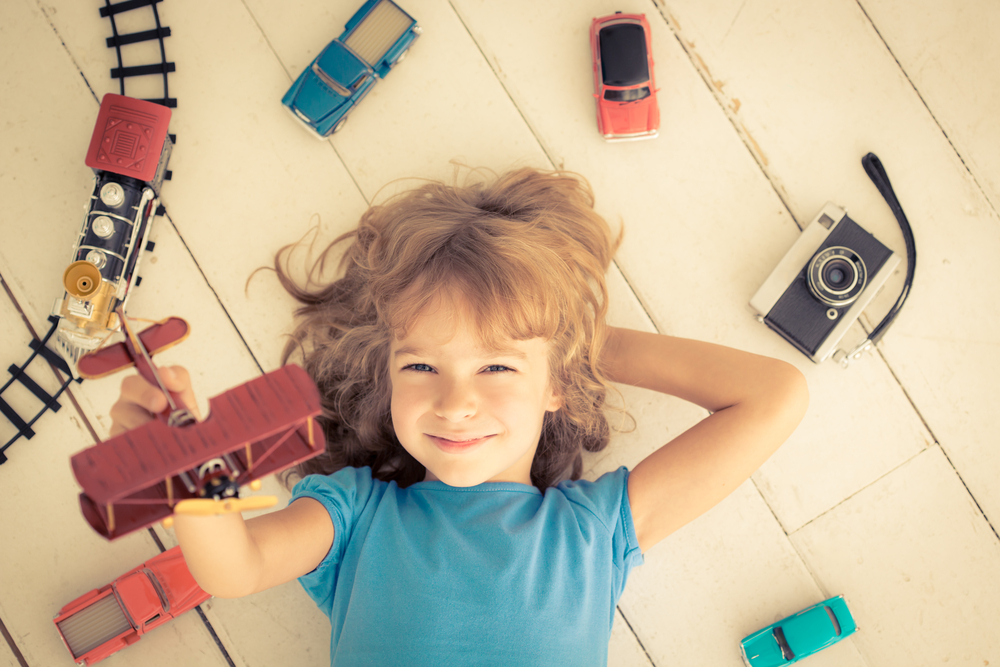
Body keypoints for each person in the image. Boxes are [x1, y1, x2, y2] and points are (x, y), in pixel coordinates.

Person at [109, 167, 809, 666]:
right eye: (421, 366)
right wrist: (179, 480)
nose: (455, 402)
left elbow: (774, 394)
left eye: (497, 365)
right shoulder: (358, 514)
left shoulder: (593, 531)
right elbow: (238, 566)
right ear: (388, 375)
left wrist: (568, 337)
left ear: (556, 380)